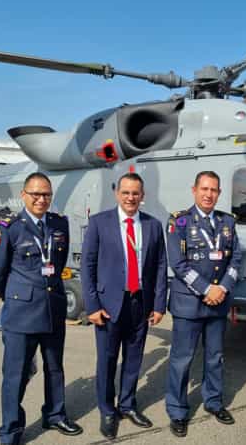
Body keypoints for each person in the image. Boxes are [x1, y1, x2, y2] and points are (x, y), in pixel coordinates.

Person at [0, 172, 82, 445]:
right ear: (23, 195)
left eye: (46, 195)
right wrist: (17, 297)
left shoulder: (59, 224)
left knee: (55, 368)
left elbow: (58, 263)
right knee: (15, 375)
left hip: (53, 308)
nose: (41, 199)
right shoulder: (9, 228)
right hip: (21, 314)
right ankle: (11, 430)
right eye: (36, 194)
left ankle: (55, 414)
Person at [80, 172, 168, 440]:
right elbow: (88, 266)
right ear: (117, 193)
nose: (131, 197)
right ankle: (107, 410)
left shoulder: (153, 225)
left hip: (139, 303)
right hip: (108, 306)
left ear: (143, 196)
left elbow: (161, 266)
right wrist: (92, 306)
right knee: (107, 361)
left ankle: (128, 404)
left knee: (133, 359)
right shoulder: (99, 223)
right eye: (126, 192)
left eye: (136, 193)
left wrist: (159, 304)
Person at [165, 170, 242, 437]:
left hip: (217, 303)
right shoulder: (179, 222)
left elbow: (236, 259)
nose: (209, 194)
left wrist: (222, 288)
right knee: (181, 360)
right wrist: (207, 288)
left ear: (219, 193)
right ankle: (177, 411)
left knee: (215, 357)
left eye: (214, 190)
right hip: (188, 304)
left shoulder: (227, 223)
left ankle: (213, 401)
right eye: (204, 189)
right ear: (194, 190)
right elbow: (178, 263)